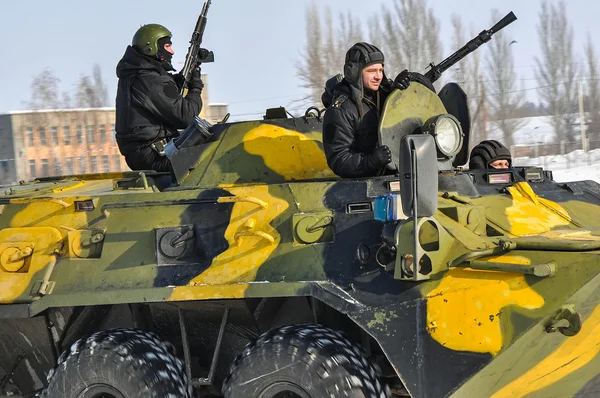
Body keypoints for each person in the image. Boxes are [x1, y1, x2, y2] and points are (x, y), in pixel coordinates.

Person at [321, 42, 436, 178]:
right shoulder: (341, 110)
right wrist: (370, 161)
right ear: (353, 72)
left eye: (380, 70)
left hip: (406, 176)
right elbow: (339, 159)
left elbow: (425, 106)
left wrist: (410, 82)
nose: (378, 76)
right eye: (371, 71)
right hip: (365, 185)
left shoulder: (386, 95)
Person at [115, 23, 205, 172]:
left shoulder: (137, 75)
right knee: (211, 158)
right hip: (154, 155)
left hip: (144, 153)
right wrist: (195, 87)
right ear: (152, 48)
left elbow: (163, 95)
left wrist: (183, 77)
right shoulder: (151, 80)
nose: (172, 51)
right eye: (168, 46)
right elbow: (187, 116)